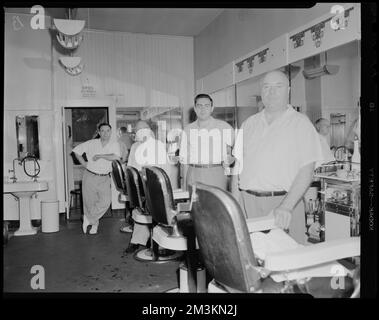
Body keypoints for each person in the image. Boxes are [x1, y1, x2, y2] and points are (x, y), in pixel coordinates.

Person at [232, 70, 323, 244]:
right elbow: (237, 168)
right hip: (248, 203)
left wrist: (286, 206)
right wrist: (236, 205)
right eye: (266, 87)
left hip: (283, 203)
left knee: (286, 265)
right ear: (261, 91)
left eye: (278, 86)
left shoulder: (300, 123)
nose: (271, 92)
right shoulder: (249, 124)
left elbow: (307, 171)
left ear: (288, 90)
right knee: (253, 261)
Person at [124, 120, 172, 253]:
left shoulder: (159, 145)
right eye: (138, 130)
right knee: (140, 210)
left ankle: (158, 243)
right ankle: (138, 240)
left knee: (156, 212)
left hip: (156, 186)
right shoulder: (134, 147)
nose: (142, 132)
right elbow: (131, 167)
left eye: (144, 128)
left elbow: (164, 169)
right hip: (140, 186)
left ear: (149, 130)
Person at [179, 93, 235, 191]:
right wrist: (184, 185)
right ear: (195, 108)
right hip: (193, 173)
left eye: (206, 106)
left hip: (216, 173)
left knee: (216, 204)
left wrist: (231, 159)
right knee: (195, 205)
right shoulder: (187, 130)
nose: (203, 109)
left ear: (212, 108)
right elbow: (184, 161)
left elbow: (237, 152)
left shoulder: (224, 127)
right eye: (199, 106)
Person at [72, 123, 121, 235]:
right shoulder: (91, 143)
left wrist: (100, 156)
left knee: (106, 201)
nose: (105, 133)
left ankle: (88, 218)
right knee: (90, 203)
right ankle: (94, 225)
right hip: (90, 176)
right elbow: (76, 151)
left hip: (104, 177)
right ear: (99, 132)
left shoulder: (114, 144)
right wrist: (84, 163)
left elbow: (116, 157)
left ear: (111, 132)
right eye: (102, 131)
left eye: (107, 131)